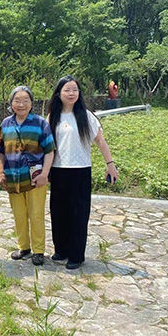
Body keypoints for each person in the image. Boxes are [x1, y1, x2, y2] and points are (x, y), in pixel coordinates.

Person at [47, 76, 119, 270]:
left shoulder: (86, 116)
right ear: (59, 93)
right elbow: (47, 146)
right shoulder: (53, 116)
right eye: (67, 90)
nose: (71, 93)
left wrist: (110, 164)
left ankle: (76, 255)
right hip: (58, 170)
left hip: (80, 171)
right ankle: (61, 250)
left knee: (78, 214)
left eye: (75, 90)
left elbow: (100, 141)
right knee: (58, 213)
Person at [0, 86, 55, 266]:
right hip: (13, 178)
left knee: (36, 215)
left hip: (36, 179)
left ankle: (38, 250)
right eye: (17, 100)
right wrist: (0, 172)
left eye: (25, 100)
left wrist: (45, 174)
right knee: (19, 215)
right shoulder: (6, 124)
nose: (21, 104)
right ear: (11, 103)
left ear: (31, 103)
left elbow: (49, 150)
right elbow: (1, 151)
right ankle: (24, 247)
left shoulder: (40, 123)